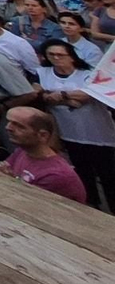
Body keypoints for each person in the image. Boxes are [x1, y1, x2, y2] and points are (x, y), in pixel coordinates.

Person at [38, 39, 115, 211]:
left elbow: (88, 95)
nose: (56, 58)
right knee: (82, 172)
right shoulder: (43, 73)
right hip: (69, 133)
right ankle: (91, 205)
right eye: (52, 55)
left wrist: (61, 96)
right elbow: (40, 93)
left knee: (108, 175)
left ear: (71, 56)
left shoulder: (87, 74)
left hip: (99, 134)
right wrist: (68, 99)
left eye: (60, 55)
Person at [0, 107, 88, 204]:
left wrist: (10, 182)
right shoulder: (22, 151)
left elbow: (30, 204)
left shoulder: (56, 175)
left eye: (19, 126)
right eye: (9, 122)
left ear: (43, 135)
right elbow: (0, 170)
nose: (8, 128)